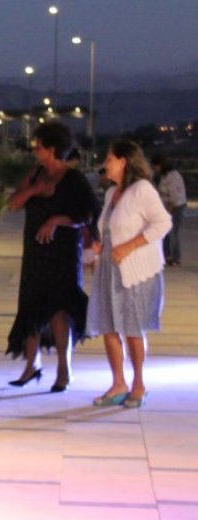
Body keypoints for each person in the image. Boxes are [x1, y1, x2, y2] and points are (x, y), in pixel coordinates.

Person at [5, 122, 99, 392]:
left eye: (39, 146)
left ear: (52, 149)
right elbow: (13, 204)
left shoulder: (73, 179)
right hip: (36, 250)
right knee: (31, 306)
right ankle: (32, 365)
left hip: (63, 253)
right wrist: (34, 190)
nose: (35, 151)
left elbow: (87, 215)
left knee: (60, 309)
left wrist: (57, 220)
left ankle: (63, 370)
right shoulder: (36, 174)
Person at [87, 140, 172, 409]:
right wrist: (100, 248)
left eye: (110, 158)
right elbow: (109, 229)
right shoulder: (113, 193)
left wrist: (129, 246)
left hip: (135, 272)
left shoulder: (142, 190)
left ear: (124, 161)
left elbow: (163, 223)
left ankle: (138, 384)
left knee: (133, 329)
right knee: (109, 326)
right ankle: (118, 384)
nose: (106, 163)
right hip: (109, 268)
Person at [151, 153, 187, 266]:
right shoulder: (164, 176)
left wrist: (167, 212)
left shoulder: (173, 176)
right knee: (165, 233)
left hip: (176, 207)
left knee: (172, 232)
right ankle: (167, 256)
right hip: (167, 206)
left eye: (155, 167)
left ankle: (176, 257)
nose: (154, 169)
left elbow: (174, 198)